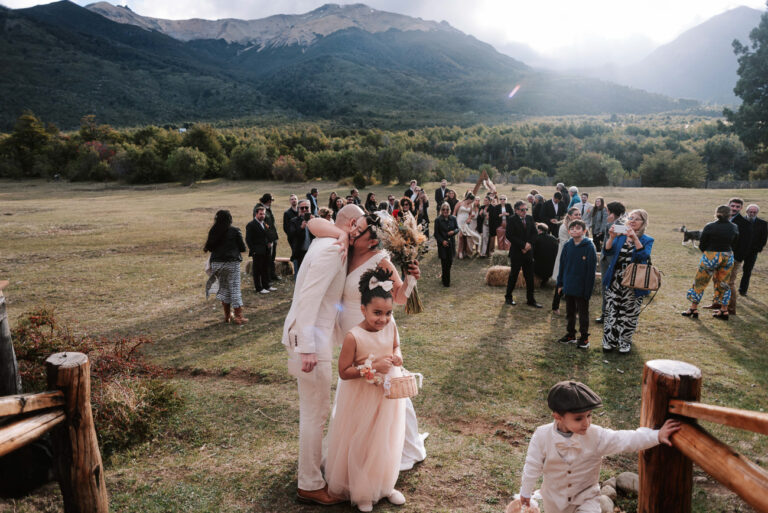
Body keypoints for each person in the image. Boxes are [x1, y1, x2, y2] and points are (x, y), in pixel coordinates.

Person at [307, 213, 428, 474]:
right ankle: (354, 448)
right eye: (353, 226)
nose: (352, 232)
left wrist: (411, 279)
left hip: (375, 334)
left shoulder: (379, 259)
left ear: (372, 240)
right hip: (353, 336)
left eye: (357, 230)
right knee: (355, 390)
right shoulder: (346, 247)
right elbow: (312, 223)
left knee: (385, 387)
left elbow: (398, 297)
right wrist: (341, 233)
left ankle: (397, 445)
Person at [281, 204, 363, 506]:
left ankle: (311, 471)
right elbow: (309, 298)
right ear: (352, 224)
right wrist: (306, 348)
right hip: (310, 342)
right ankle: (310, 484)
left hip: (314, 338)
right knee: (314, 413)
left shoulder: (326, 240)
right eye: (360, 227)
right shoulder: (333, 250)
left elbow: (315, 223)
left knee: (314, 411)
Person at [519, 381, 681, 512]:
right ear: (558, 416)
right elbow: (532, 466)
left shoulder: (596, 436)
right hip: (554, 500)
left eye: (589, 415)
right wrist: (525, 491)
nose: (587, 423)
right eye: (578, 418)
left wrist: (656, 436)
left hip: (587, 498)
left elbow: (624, 439)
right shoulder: (541, 435)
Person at [325, 267, 408, 512]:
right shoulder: (354, 336)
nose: (383, 319)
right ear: (363, 310)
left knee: (386, 438)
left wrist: (397, 357)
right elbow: (344, 371)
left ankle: (384, 485)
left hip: (387, 396)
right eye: (377, 313)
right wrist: (370, 367)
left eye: (388, 313)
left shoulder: (390, 325)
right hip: (361, 396)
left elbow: (395, 346)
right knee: (363, 440)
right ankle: (362, 490)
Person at [601, 209, 653, 354]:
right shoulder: (620, 235)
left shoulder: (647, 239)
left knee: (629, 313)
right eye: (631, 218)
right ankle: (609, 340)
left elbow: (643, 255)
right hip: (616, 278)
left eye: (637, 219)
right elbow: (607, 252)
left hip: (634, 280)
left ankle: (624, 342)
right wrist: (611, 237)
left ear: (643, 223)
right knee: (612, 310)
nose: (633, 221)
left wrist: (634, 238)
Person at [681, 205, 738, 321]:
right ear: (729, 214)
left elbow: (702, 243)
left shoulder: (710, 226)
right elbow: (735, 242)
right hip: (727, 255)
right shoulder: (734, 226)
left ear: (716, 213)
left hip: (711, 254)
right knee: (724, 283)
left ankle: (693, 308)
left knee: (700, 281)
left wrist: (708, 254)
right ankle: (724, 310)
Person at [556, 219, 597, 349]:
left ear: (584, 231)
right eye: (572, 228)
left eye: (578, 228)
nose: (574, 230)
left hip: (582, 287)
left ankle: (584, 338)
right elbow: (562, 266)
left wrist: (587, 291)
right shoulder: (568, 245)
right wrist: (560, 284)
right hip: (569, 285)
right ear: (569, 231)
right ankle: (571, 334)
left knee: (583, 314)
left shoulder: (589, 247)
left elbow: (591, 272)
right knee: (570, 312)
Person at [705, 198, 747, 315]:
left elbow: (744, 243)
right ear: (728, 206)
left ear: (741, 208)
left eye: (737, 207)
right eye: (732, 206)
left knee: (729, 283)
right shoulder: (721, 220)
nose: (734, 208)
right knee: (717, 279)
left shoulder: (744, 223)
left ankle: (730, 308)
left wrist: (737, 258)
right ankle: (717, 303)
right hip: (719, 256)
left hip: (733, 257)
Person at [205, 210, 247, 324]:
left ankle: (227, 316)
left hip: (217, 264)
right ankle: (238, 316)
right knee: (235, 288)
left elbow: (209, 247)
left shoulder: (213, 231)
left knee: (224, 289)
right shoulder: (234, 230)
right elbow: (243, 248)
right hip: (231, 263)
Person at [505, 201, 542, 308]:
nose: (524, 211)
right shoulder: (512, 220)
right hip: (517, 252)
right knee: (514, 275)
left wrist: (529, 245)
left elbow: (534, 233)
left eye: (526, 209)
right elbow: (509, 235)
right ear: (516, 210)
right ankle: (508, 297)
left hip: (528, 252)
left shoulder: (530, 218)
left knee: (529, 277)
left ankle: (531, 300)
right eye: (522, 210)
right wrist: (522, 246)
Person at [596, 201, 625, 324]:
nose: (606, 212)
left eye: (608, 210)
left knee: (610, 288)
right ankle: (605, 313)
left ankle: (609, 314)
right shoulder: (611, 223)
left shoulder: (621, 225)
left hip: (613, 260)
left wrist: (612, 221)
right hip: (604, 259)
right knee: (605, 287)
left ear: (612, 212)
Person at [552, 207, 582, 314]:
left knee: (576, 283)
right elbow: (565, 244)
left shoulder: (581, 227)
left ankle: (575, 309)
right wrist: (577, 241)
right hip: (566, 258)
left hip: (578, 259)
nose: (578, 216)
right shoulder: (564, 228)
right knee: (561, 282)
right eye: (576, 214)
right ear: (569, 216)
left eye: (579, 214)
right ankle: (555, 306)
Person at [739, 204, 768, 296]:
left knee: (747, 271)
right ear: (747, 211)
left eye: (754, 212)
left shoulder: (763, 223)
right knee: (732, 271)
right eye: (750, 211)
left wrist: (758, 249)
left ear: (757, 213)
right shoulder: (740, 221)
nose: (752, 213)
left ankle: (743, 290)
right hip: (739, 251)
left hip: (752, 252)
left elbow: (763, 239)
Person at [246, 205, 275, 295]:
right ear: (256, 214)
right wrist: (253, 250)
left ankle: (267, 285)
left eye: (264, 214)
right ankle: (259, 288)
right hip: (257, 251)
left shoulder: (265, 223)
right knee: (257, 270)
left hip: (266, 250)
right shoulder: (251, 225)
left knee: (266, 268)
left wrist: (270, 242)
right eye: (260, 214)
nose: (262, 216)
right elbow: (248, 239)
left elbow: (268, 234)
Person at [287, 200, 315, 273]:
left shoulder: (316, 219)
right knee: (300, 274)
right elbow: (291, 236)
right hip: (300, 253)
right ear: (298, 209)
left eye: (306, 207)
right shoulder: (294, 221)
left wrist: (315, 223)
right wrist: (301, 228)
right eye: (302, 208)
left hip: (313, 252)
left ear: (310, 208)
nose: (304, 210)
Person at [435, 202, 459, 286]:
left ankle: (444, 277)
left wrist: (454, 231)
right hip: (442, 245)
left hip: (451, 243)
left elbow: (457, 228)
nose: (445, 211)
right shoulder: (438, 220)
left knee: (450, 262)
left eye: (447, 209)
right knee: (444, 262)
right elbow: (436, 234)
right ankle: (446, 282)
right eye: (443, 209)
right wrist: (442, 241)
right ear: (441, 210)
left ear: (449, 210)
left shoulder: (453, 218)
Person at [260, 194, 280, 282]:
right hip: (267, 238)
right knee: (267, 258)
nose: (271, 202)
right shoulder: (260, 209)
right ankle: (267, 277)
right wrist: (267, 239)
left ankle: (272, 274)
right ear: (267, 200)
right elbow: (262, 224)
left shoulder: (268, 208)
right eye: (271, 200)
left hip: (273, 236)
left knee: (272, 258)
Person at [454, 192, 481, 259]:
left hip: (466, 223)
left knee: (465, 237)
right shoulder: (459, 203)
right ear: (469, 199)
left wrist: (469, 219)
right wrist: (453, 222)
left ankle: (464, 251)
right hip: (459, 221)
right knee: (460, 236)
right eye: (472, 201)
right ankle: (459, 252)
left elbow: (470, 214)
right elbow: (454, 212)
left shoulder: (470, 206)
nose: (472, 202)